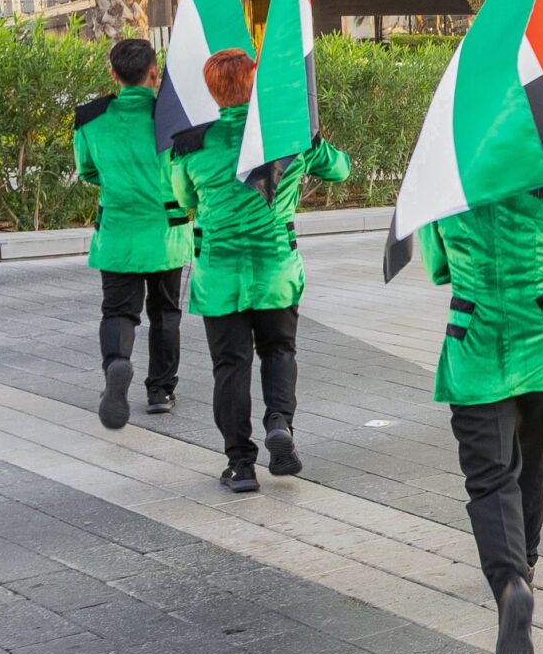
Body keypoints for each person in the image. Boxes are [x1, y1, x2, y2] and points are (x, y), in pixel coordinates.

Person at [419, 157, 543, 654]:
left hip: (475, 350)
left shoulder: (447, 182)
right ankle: (527, 563)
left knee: (489, 475)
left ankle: (509, 582)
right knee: (535, 464)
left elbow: (438, 268)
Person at [171, 49, 352, 492]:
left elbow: (183, 200)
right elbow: (341, 169)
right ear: (255, 83)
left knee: (230, 367)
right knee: (279, 351)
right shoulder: (287, 138)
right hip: (277, 271)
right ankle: (279, 424)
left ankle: (241, 465)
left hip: (220, 276)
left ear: (214, 91)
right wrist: (311, 133)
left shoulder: (192, 145)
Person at [73, 37, 192, 430]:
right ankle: (160, 391)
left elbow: (88, 170)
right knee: (165, 313)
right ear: (154, 72)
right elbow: (189, 169)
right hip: (166, 233)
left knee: (118, 311)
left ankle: (117, 363)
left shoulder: (90, 119)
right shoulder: (172, 117)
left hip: (118, 234)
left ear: (113, 74)